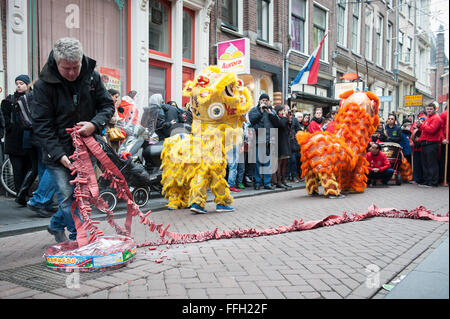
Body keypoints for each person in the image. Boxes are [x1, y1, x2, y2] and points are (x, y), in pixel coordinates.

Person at [31, 37, 115, 243]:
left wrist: (94, 124)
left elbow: (107, 106)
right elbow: (41, 124)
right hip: (57, 153)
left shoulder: (92, 78)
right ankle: (82, 238)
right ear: (57, 62)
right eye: (66, 68)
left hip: (87, 149)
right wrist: (58, 154)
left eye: (75, 67)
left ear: (81, 61)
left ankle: (57, 224)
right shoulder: (43, 85)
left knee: (83, 198)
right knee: (68, 196)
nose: (71, 73)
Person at [0, 74, 36, 206]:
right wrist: (9, 128)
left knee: (30, 167)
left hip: (28, 139)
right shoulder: (8, 101)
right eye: (17, 83)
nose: (19, 86)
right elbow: (4, 118)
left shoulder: (33, 99)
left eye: (21, 83)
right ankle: (20, 195)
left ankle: (25, 192)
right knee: (17, 169)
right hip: (14, 140)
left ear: (27, 84)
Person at [248, 93, 278, 190]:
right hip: (257, 140)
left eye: (266, 100)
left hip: (268, 140)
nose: (265, 102)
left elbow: (277, 122)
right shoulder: (254, 110)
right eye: (263, 100)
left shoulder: (271, 110)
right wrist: (260, 111)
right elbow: (252, 121)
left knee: (267, 163)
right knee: (257, 163)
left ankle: (267, 183)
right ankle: (257, 182)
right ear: (259, 101)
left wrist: (271, 114)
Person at [417, 103, 442, 187]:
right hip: (426, 143)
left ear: (435, 109)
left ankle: (433, 182)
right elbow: (425, 131)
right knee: (426, 163)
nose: (428, 111)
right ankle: (427, 181)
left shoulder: (436, 118)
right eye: (427, 109)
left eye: (430, 109)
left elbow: (431, 130)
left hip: (431, 143)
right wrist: (419, 126)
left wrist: (421, 125)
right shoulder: (428, 118)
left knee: (431, 164)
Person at [272, 105, 291, 189]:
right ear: (277, 111)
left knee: (284, 163)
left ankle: (283, 180)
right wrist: (285, 118)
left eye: (283, 110)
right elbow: (281, 124)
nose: (283, 112)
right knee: (279, 163)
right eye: (281, 111)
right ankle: (278, 181)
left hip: (285, 142)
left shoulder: (285, 119)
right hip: (279, 143)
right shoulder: (277, 119)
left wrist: (288, 118)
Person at [410, 114, 425, 185]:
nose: (420, 122)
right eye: (420, 121)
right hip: (416, 149)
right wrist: (411, 142)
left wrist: (419, 140)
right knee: (416, 165)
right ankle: (416, 179)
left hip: (422, 149)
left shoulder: (424, 129)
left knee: (422, 165)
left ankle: (422, 179)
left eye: (422, 121)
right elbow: (412, 137)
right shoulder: (415, 129)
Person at [439, 103, 449, 184]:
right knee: (444, 161)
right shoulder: (444, 115)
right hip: (445, 141)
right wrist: (443, 138)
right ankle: (444, 178)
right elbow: (440, 129)